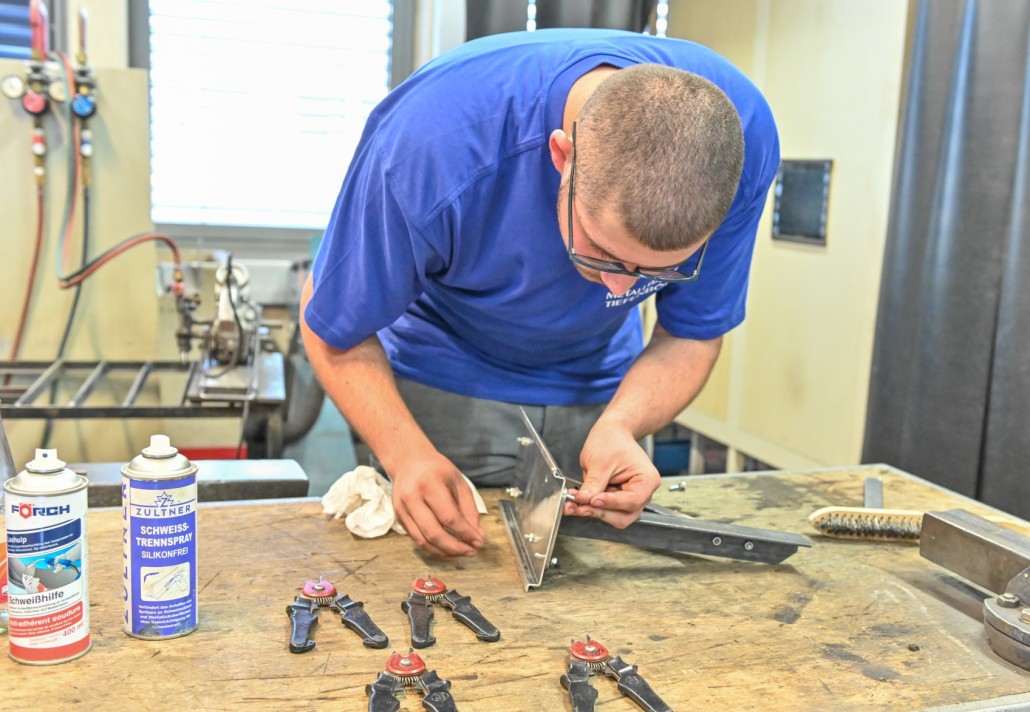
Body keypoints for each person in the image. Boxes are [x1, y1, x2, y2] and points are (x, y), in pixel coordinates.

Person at [301, 28, 780, 558]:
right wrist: (406, 454)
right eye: (602, 252)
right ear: (561, 155)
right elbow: (332, 324)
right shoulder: (432, 146)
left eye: (660, 270)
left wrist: (623, 425)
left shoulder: (740, 142)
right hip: (440, 383)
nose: (621, 288)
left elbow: (690, 334)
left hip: (604, 389)